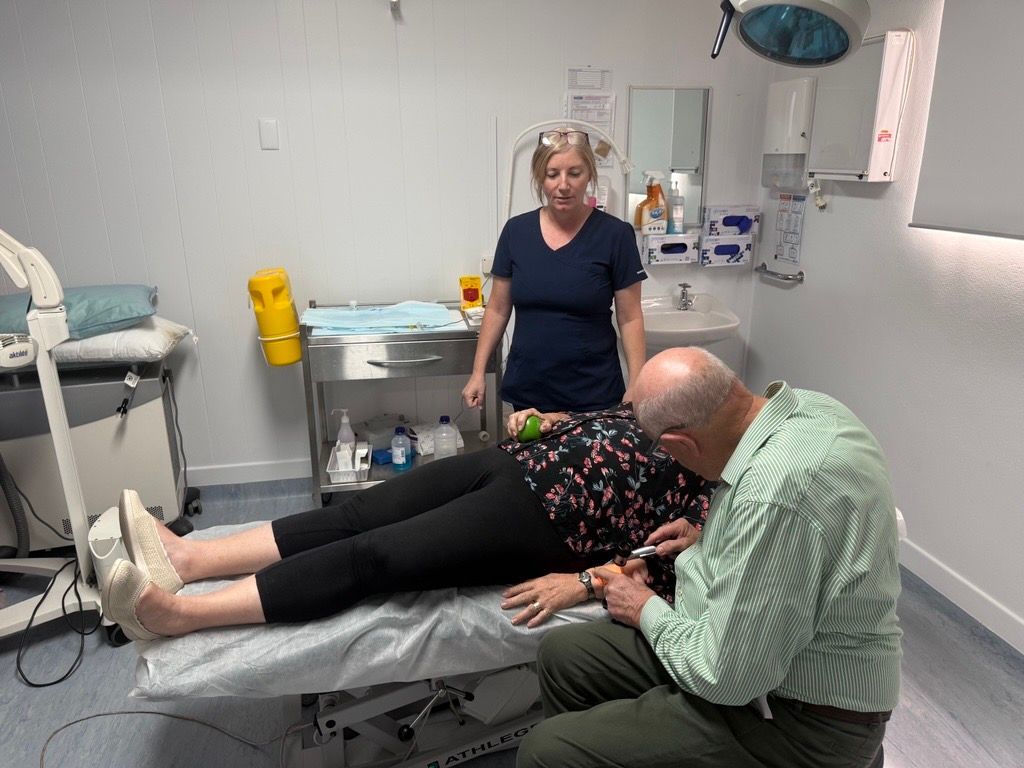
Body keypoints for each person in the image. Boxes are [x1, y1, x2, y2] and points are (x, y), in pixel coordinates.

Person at [517, 347, 902, 768]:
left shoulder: (774, 494)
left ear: (681, 443)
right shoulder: (810, 409)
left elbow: (725, 679)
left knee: (544, 752)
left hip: (802, 722)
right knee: (564, 655)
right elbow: (800, 542)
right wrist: (713, 536)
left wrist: (645, 608)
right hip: (749, 663)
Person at [103, 404, 713, 641]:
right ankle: (190, 560)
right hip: (521, 459)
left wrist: (585, 582)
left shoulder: (728, 495)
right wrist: (560, 420)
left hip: (549, 522)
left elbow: (665, 571)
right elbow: (624, 420)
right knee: (355, 511)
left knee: (376, 555)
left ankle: (180, 616)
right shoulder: (704, 409)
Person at [462, 128, 646, 414]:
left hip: (594, 391)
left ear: (589, 175)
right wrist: (477, 373)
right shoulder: (516, 232)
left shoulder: (615, 235)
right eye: (552, 174)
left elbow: (630, 316)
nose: (563, 185)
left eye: (574, 173)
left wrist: (637, 382)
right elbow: (497, 309)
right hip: (530, 389)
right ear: (540, 177)